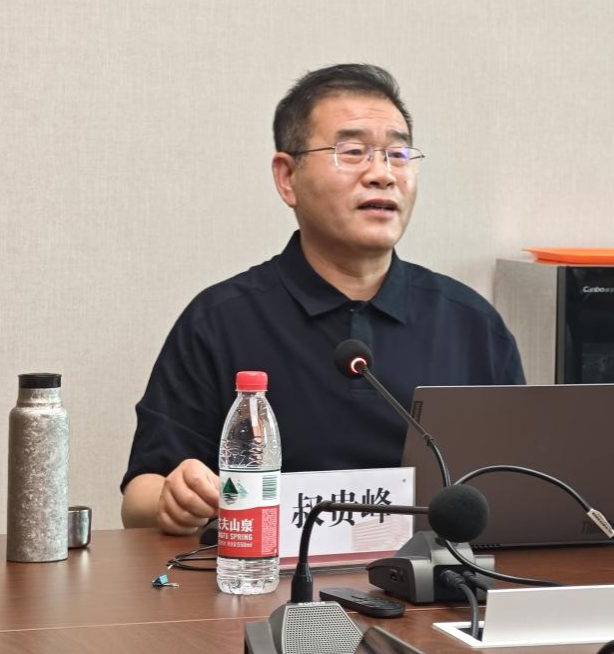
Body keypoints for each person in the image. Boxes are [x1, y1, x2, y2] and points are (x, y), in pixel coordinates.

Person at [120, 64, 525, 534]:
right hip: (267, 575)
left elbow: (524, 483)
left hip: (436, 574)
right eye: (352, 152)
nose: (382, 174)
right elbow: (139, 498)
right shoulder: (220, 320)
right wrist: (174, 498)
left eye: (398, 154)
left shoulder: (471, 324)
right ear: (287, 177)